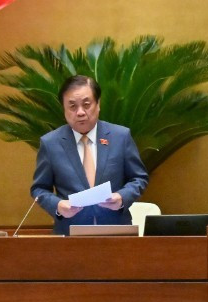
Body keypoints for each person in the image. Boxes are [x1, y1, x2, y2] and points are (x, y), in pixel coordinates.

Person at [30, 75, 149, 235]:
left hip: (116, 232)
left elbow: (139, 178)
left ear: (98, 104)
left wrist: (121, 198)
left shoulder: (120, 136)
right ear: (63, 109)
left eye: (86, 105)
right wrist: (58, 206)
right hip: (70, 234)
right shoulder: (51, 143)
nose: (80, 112)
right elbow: (39, 188)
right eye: (72, 106)